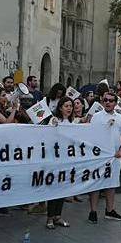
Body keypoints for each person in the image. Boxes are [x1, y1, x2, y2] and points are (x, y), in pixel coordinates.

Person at [88, 91, 121, 223]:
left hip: (114, 156)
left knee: (112, 184)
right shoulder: (96, 117)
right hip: (99, 157)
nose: (108, 102)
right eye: (105, 100)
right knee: (96, 184)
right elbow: (91, 135)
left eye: (111, 100)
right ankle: (93, 211)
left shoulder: (120, 118)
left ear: (115, 103)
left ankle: (110, 210)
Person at [46, 97, 75, 229]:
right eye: (66, 106)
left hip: (67, 161)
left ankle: (58, 216)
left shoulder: (72, 122)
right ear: (60, 107)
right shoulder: (54, 120)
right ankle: (50, 218)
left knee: (62, 189)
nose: (69, 108)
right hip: (55, 160)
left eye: (70, 106)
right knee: (54, 190)